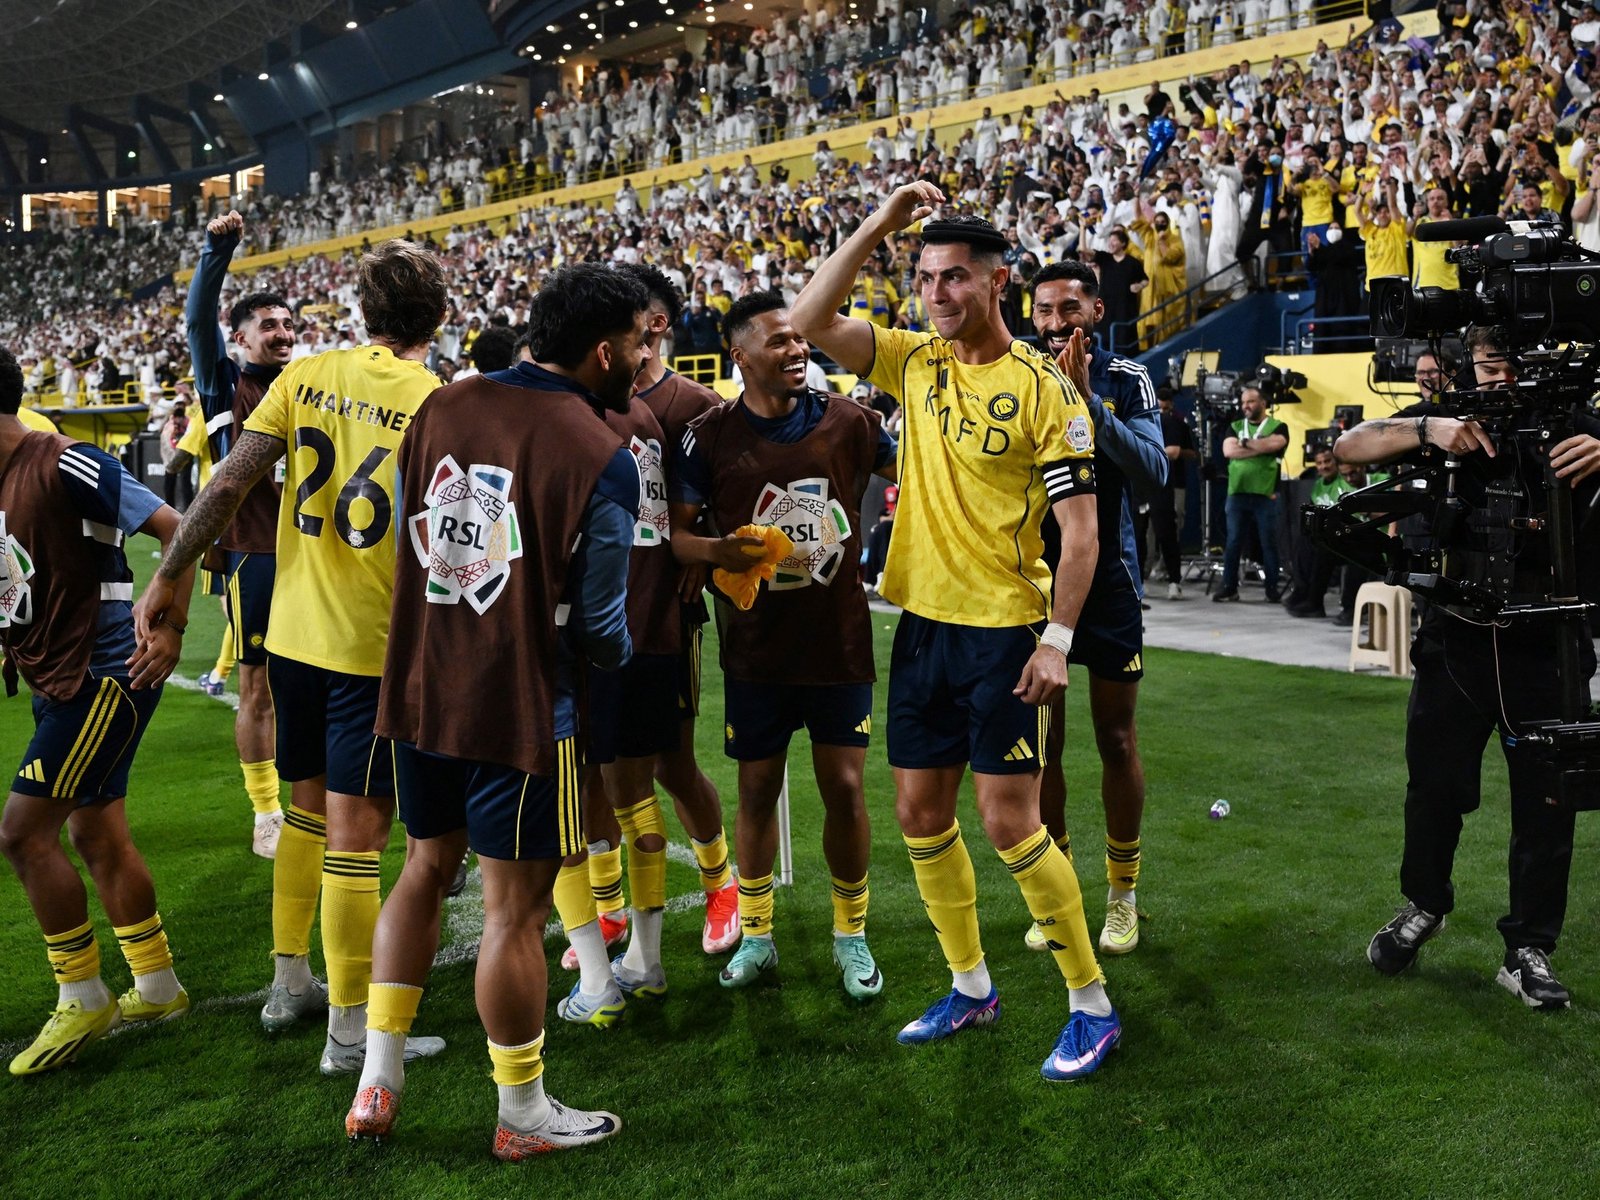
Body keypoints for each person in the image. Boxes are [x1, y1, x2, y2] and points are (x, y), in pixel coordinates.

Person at [792, 189, 1123, 1081]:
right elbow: (808, 318)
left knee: (1010, 823)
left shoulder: (1046, 390)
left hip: (1007, 633)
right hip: (923, 627)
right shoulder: (913, 362)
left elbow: (1083, 532)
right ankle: (971, 986)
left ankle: (1091, 1004)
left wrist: (1057, 639)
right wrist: (880, 226)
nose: (936, 294)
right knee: (918, 814)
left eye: (954, 278)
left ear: (997, 281)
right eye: (926, 277)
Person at [344, 263, 645, 1157]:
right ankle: (522, 1114)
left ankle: (377, 1082)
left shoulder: (443, 404)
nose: (642, 354)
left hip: (420, 686)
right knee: (515, 910)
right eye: (637, 340)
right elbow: (598, 626)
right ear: (602, 350)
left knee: (422, 866)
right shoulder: (603, 453)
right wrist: (625, 655)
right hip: (522, 707)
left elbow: (413, 528)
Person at [134, 239, 450, 1072]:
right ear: (440, 317)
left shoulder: (305, 378)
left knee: (306, 816)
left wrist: (169, 574)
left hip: (293, 641)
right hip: (370, 648)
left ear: (363, 311)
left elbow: (229, 481)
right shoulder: (438, 402)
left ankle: (291, 982)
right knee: (357, 836)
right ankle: (352, 1034)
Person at [1335, 325, 1600, 1010]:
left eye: (1510, 362)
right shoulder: (1452, 414)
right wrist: (1428, 429)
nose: (1500, 377)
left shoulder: (1576, 417)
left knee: (1547, 806)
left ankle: (1528, 948)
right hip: (1457, 638)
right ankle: (1425, 904)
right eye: (1488, 364)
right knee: (1433, 789)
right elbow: (1347, 447)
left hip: (1550, 642)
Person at [669, 291, 897, 999]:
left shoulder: (852, 422)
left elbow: (920, 481)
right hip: (757, 651)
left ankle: (851, 936)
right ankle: (759, 935)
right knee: (758, 788)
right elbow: (676, 537)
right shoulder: (707, 437)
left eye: (802, 341)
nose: (797, 351)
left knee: (847, 788)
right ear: (739, 356)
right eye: (779, 342)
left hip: (839, 646)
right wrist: (719, 552)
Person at [0, 345, 193, 1075]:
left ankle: (81, 996)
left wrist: (171, 625)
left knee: (22, 837)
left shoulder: (65, 461)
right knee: (96, 833)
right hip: (63, 678)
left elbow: (180, 526)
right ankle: (158, 984)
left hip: (102, 674)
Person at [1027, 261, 1167, 957]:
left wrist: (1092, 404)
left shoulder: (1126, 377)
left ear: (1098, 310)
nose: (1056, 323)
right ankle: (1057, 896)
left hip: (1108, 584)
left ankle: (1122, 896)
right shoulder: (1016, 373)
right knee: (1040, 747)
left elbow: (1155, 470)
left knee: (1114, 739)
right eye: (1045, 309)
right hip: (1029, 585)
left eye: (1069, 308)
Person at [613, 262, 738, 958]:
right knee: (601, 767)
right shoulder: (585, 396)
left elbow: (726, 499)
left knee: (671, 763)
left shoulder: (696, 405)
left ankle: (722, 884)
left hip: (664, 612)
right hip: (599, 610)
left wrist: (701, 557)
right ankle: (609, 909)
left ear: (655, 323)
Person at [187, 211, 296, 862]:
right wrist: (216, 252)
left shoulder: (314, 384)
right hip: (255, 555)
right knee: (255, 687)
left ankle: (318, 796)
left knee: (323, 684)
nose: (282, 334)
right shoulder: (225, 383)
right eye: (268, 326)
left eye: (288, 325)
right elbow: (198, 322)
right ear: (239, 339)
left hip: (319, 556)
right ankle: (265, 811)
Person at [1213, 383, 1287, 603]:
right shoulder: (1234, 426)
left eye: (1251, 401)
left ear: (1263, 403)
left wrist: (1243, 446)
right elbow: (1228, 450)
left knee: (1269, 543)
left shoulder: (1278, 425)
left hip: (1266, 494)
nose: (1245, 405)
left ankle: (1272, 589)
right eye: (1243, 402)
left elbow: (1277, 443)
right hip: (1237, 493)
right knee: (1234, 542)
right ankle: (1229, 587)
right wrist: (1259, 446)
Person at [1281, 448, 1353, 618]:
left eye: (1327, 461)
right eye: (1319, 463)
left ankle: (1315, 601)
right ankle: (1301, 590)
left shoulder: (1347, 480)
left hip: (1348, 536)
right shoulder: (1318, 486)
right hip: (1329, 535)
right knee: (1303, 542)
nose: (1324, 466)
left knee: (1322, 548)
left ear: (1336, 463)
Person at [1151, 384, 1197, 598]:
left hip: (1173, 482)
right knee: (1147, 532)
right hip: (1148, 484)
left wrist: (1160, 452)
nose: (1163, 411)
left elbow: (1183, 452)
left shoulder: (1178, 423)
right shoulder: (1145, 422)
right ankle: (1148, 571)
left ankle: (1169, 573)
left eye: (1166, 407)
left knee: (1171, 528)